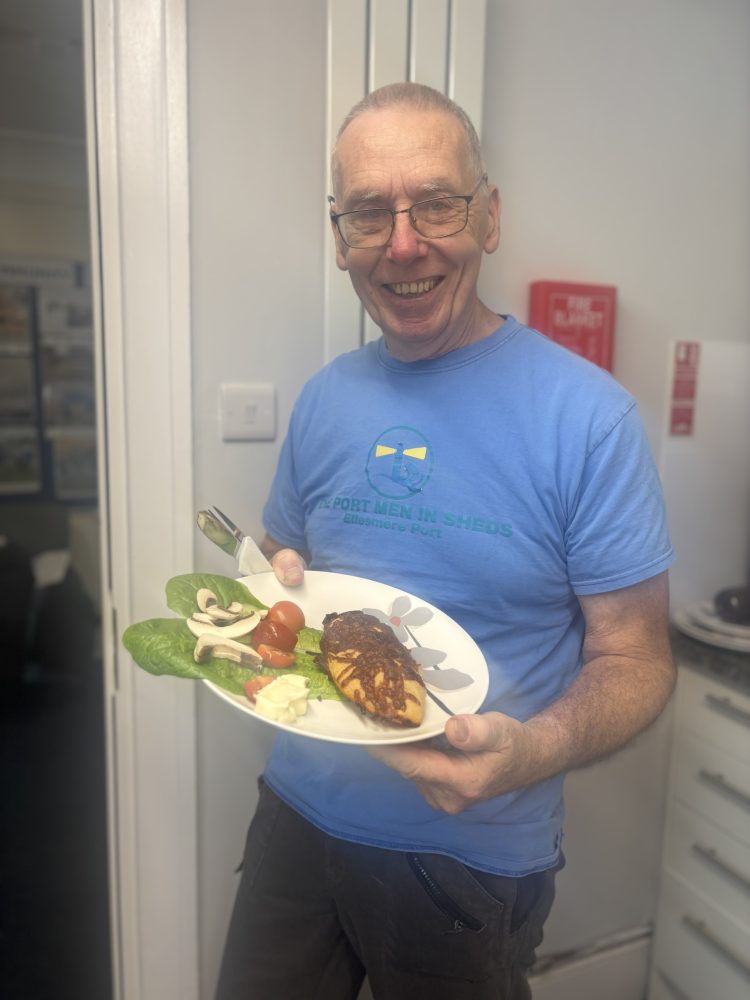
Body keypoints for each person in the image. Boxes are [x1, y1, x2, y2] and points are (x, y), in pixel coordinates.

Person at [215, 82, 675, 1000]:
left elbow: (638, 659)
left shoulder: (588, 418)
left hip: (469, 861)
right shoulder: (324, 400)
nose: (404, 244)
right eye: (367, 214)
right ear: (338, 234)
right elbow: (282, 568)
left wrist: (534, 752)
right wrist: (273, 584)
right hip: (296, 820)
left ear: (489, 215)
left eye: (436, 203)